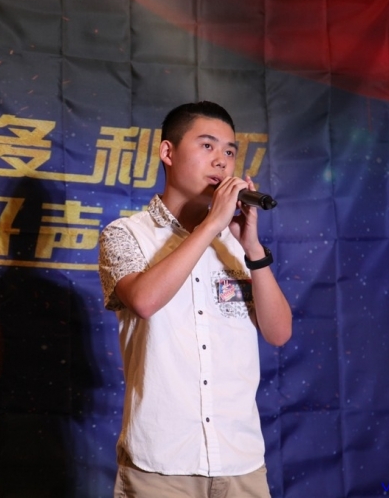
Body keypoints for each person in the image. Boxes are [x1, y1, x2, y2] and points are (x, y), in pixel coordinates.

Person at [98, 101, 292, 497]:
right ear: (168, 153)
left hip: (240, 462)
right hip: (160, 465)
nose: (221, 160)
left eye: (230, 151)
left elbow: (278, 333)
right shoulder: (125, 234)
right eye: (207, 146)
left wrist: (252, 248)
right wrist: (211, 224)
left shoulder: (236, 243)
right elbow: (145, 301)